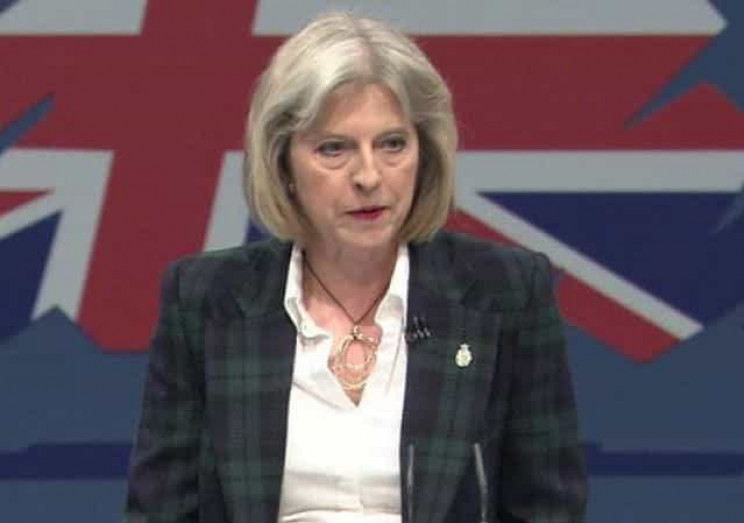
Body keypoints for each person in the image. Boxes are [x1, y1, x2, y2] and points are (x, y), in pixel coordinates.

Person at [125, 11, 587, 523]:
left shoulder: (504, 294)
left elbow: (548, 510)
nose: (369, 175)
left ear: (425, 153)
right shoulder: (207, 300)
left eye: (392, 144)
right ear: (284, 164)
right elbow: (160, 512)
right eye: (334, 149)